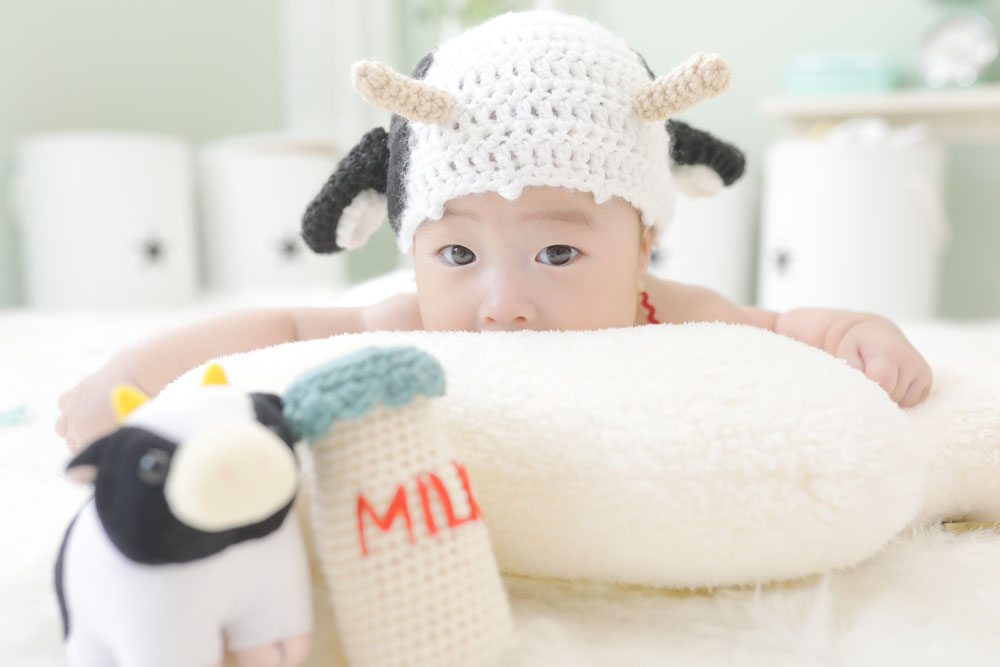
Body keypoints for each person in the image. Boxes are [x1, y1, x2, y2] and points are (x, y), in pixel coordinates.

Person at [56, 10, 933, 453]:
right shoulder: (411, 321)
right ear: (412, 246)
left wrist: (859, 331)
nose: (503, 303)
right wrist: (130, 373)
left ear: (644, 246)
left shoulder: (671, 313)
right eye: (457, 253)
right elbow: (281, 326)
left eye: (558, 252)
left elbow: (785, 327)